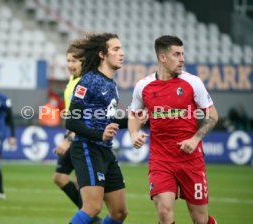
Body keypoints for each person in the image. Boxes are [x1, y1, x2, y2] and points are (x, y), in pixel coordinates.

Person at [128, 35, 218, 224]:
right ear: (163, 57)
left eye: (182, 54)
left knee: (200, 219)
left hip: (190, 160)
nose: (182, 59)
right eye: (176, 54)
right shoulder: (143, 86)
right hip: (161, 159)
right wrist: (134, 133)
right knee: (164, 211)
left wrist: (195, 139)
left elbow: (212, 116)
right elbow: (134, 115)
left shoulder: (193, 83)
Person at [66, 32, 128, 224]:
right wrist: (99, 134)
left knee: (119, 212)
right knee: (92, 207)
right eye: (116, 49)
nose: (122, 53)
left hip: (105, 150)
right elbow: (72, 121)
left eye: (121, 48)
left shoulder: (112, 84)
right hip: (87, 149)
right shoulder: (88, 81)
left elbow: (109, 121)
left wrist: (137, 120)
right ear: (102, 54)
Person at [52, 42, 101, 224]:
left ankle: (90, 217)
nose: (71, 65)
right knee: (60, 177)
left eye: (75, 61)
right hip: (76, 137)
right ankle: (91, 217)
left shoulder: (83, 83)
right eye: (68, 61)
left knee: (81, 184)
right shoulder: (73, 81)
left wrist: (68, 139)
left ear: (84, 61)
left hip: (82, 139)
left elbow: (82, 116)